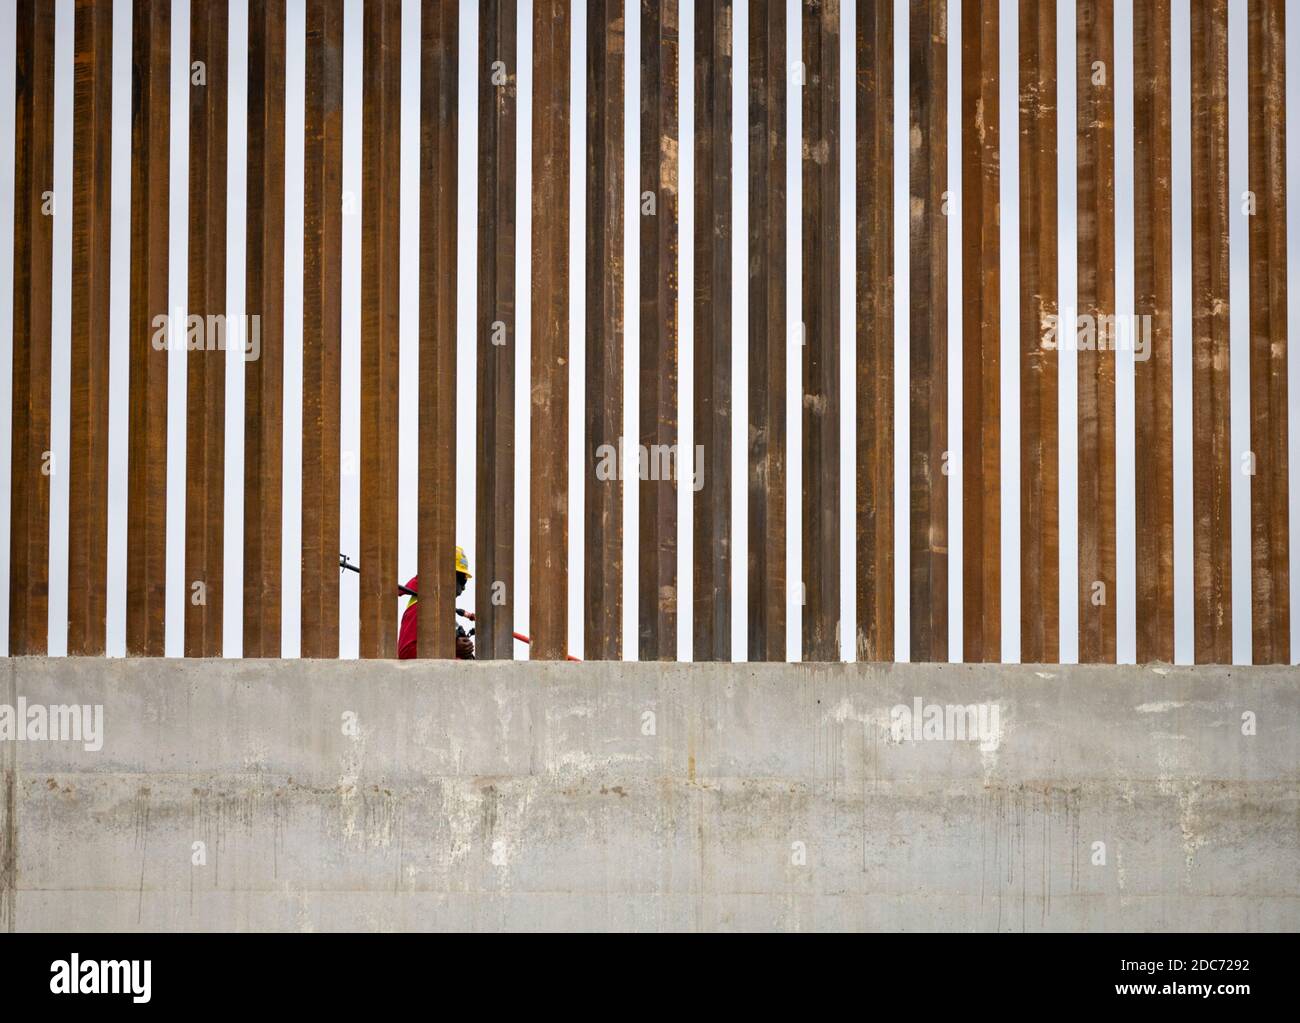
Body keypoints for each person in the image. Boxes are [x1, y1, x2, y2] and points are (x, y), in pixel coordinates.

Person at [397, 546, 475, 660]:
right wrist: (452, 648)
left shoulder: (439, 608)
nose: (463, 588)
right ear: (446, 576)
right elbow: (406, 653)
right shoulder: (419, 608)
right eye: (462, 580)